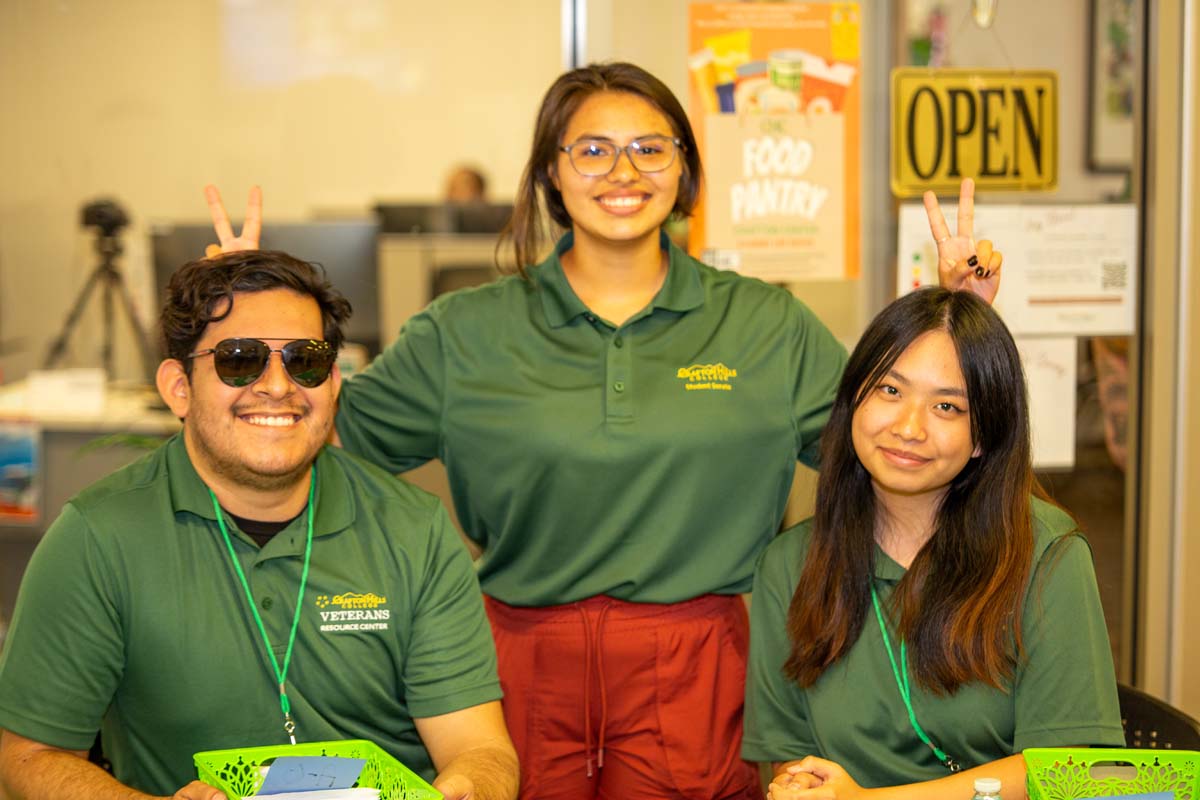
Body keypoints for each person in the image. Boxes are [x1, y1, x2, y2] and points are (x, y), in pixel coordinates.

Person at [202, 62, 1002, 800]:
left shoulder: (765, 324)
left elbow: (892, 445)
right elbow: (308, 434)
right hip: (514, 668)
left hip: (704, 668)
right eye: (592, 150)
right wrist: (250, 326)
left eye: (651, 149)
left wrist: (950, 329)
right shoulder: (465, 332)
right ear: (551, 170)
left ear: (685, 168)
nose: (624, 173)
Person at [0, 251, 518, 800]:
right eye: (239, 359)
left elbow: (478, 748)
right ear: (179, 387)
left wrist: (473, 787)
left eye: (306, 360)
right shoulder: (98, 536)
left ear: (334, 383)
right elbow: (28, 755)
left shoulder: (414, 529)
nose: (277, 385)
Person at [743, 287, 1123, 800]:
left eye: (947, 406)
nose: (908, 428)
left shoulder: (1045, 554)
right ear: (854, 398)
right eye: (890, 391)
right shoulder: (790, 564)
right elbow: (792, 757)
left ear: (983, 436)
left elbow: (1073, 770)